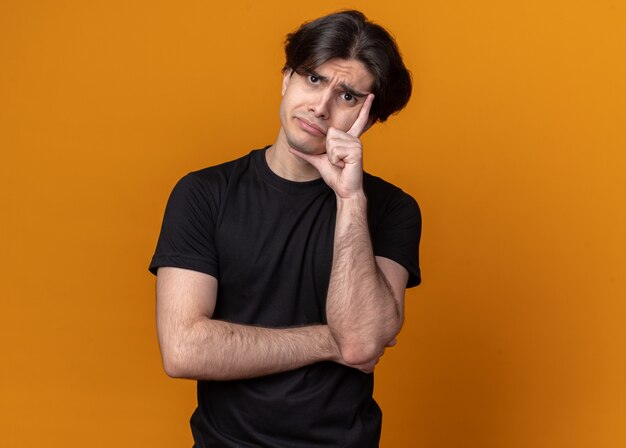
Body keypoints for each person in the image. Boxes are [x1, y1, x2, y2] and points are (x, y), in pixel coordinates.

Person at [149, 9, 421, 447]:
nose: (321, 105)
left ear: (368, 121)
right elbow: (184, 350)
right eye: (313, 79)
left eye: (348, 96)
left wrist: (350, 199)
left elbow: (364, 339)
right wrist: (329, 341)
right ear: (286, 79)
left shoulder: (391, 209)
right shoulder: (203, 194)